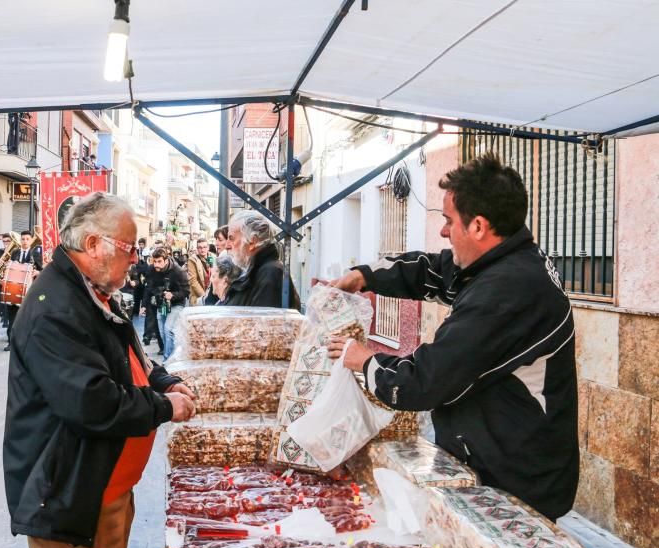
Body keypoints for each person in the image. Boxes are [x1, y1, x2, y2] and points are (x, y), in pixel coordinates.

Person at [323, 154, 578, 521]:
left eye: (447, 220)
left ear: (478, 226)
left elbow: (425, 381)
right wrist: (364, 276)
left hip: (517, 484)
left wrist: (363, 360)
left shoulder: (508, 291)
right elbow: (435, 270)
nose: (443, 231)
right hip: (489, 463)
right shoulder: (502, 260)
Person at [4, 192, 196, 548]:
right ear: (93, 245)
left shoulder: (90, 291)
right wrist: (163, 407)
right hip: (73, 497)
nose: (135, 259)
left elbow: (125, 358)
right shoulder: (55, 306)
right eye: (129, 248)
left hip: (101, 490)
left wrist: (160, 380)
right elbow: (90, 401)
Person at [223, 210, 300, 310]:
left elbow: (262, 322)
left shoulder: (270, 273)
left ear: (252, 241)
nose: (227, 245)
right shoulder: (257, 270)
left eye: (231, 238)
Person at [144, 248, 189, 360]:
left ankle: (167, 360)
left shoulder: (178, 271)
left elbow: (186, 291)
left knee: (168, 329)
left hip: (176, 304)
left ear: (166, 260)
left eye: (159, 261)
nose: (156, 264)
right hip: (162, 304)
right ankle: (170, 356)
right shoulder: (151, 270)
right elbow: (148, 288)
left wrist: (172, 295)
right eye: (154, 261)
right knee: (163, 331)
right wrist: (144, 305)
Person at [3, 231, 42, 352]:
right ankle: (11, 343)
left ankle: (25, 344)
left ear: (31, 241)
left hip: (28, 291)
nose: (25, 241)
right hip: (13, 290)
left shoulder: (35, 254)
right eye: (23, 239)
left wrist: (38, 272)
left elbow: (42, 269)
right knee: (12, 319)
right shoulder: (15, 252)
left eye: (27, 239)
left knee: (26, 319)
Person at [186, 238, 210, 306]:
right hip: (198, 297)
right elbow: (193, 281)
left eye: (204, 247)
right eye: (200, 247)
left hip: (211, 294)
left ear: (208, 247)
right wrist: (204, 297)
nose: (202, 250)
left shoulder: (213, 257)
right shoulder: (192, 260)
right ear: (197, 248)